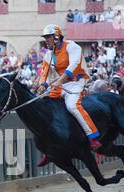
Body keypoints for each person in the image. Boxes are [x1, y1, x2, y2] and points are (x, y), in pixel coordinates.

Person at [36, 24, 102, 167]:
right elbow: (45, 74)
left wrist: (60, 80)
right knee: (44, 108)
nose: (46, 41)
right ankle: (50, 151)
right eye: (45, 38)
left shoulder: (72, 46)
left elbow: (74, 65)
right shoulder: (48, 55)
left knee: (72, 106)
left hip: (75, 82)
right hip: (59, 85)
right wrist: (42, 85)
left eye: (48, 38)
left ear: (56, 37)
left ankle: (93, 138)